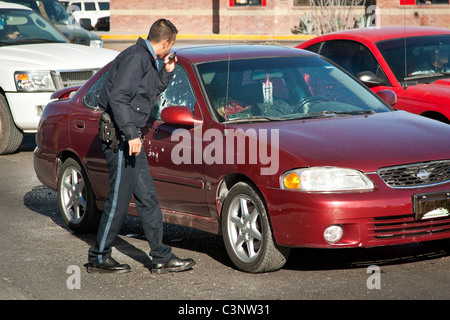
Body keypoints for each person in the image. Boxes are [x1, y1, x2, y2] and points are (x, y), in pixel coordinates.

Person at [87, 19, 195, 274]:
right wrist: (131, 134)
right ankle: (99, 257)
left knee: (147, 197)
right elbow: (119, 98)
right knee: (119, 200)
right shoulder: (136, 58)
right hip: (124, 140)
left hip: (130, 139)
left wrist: (166, 71)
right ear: (166, 42)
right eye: (171, 46)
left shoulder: (146, 59)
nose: (170, 49)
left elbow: (147, 92)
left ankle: (160, 256)